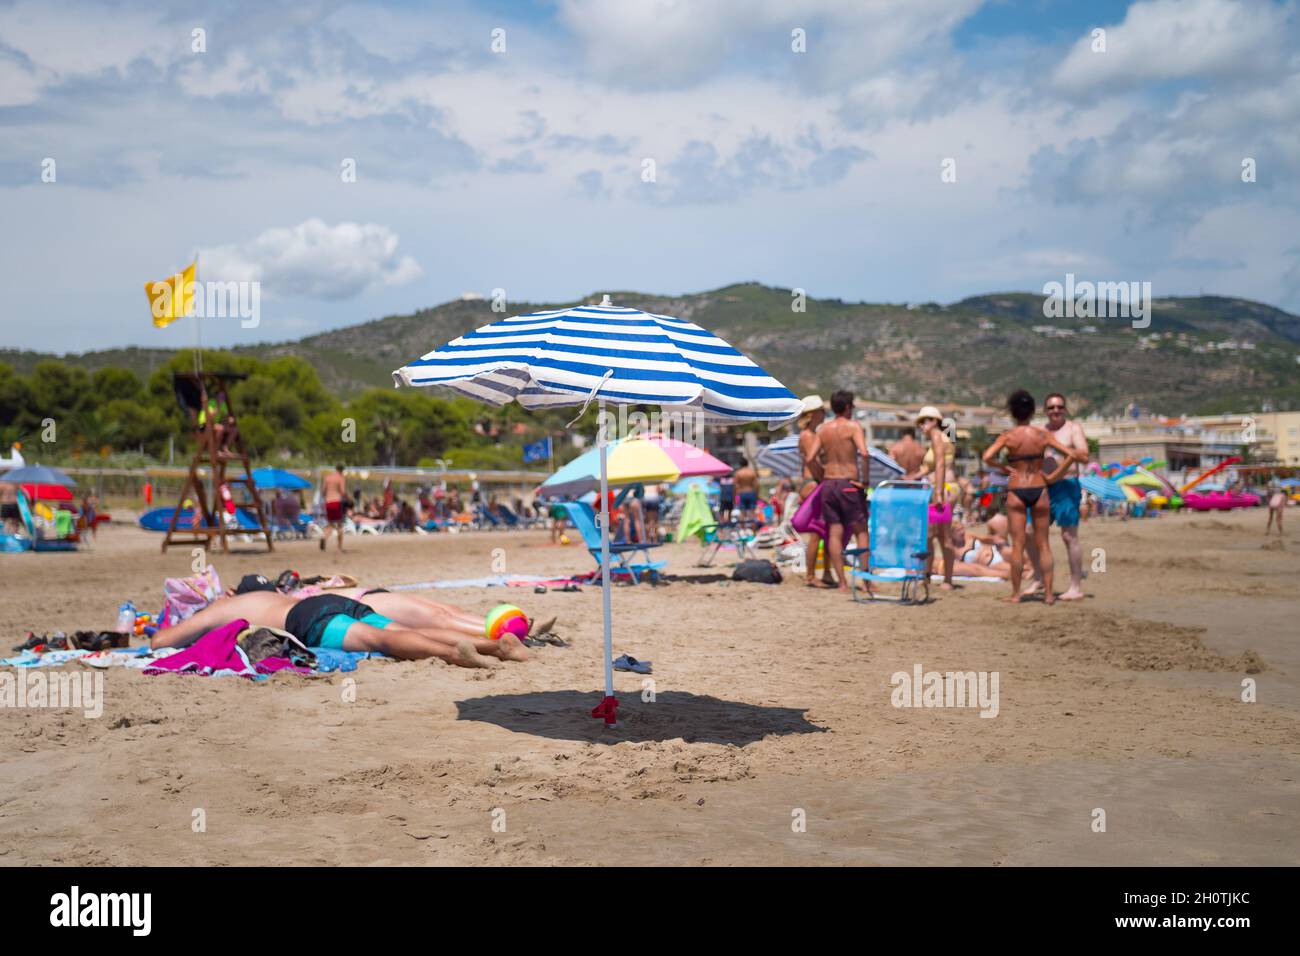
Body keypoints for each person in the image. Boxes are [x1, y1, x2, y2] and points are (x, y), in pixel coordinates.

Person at [151, 590, 528, 666]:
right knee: (393, 627)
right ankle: (493, 644)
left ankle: (451, 654)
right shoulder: (270, 593)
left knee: (384, 641)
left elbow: (161, 640)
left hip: (306, 621)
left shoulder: (224, 607)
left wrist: (196, 625)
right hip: (330, 601)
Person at [982, 390, 1088, 605]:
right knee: (1044, 544)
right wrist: (1052, 476)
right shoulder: (1041, 434)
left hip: (1017, 487)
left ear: (1012, 412)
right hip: (1040, 487)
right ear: (1033, 411)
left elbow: (986, 457)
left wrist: (1005, 469)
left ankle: (1015, 594)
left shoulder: (1008, 435)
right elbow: (1071, 455)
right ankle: (1049, 594)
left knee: (1019, 544)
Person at [804, 390, 869, 591]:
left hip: (829, 484)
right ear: (848, 407)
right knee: (861, 532)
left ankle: (841, 582)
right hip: (849, 483)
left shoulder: (823, 430)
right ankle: (867, 582)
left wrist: (824, 475)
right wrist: (865, 481)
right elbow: (865, 454)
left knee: (834, 532)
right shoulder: (853, 427)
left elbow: (810, 458)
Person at [1041, 393, 1090, 600]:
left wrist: (1055, 445)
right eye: (1051, 407)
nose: (1055, 410)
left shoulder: (1073, 428)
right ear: (1045, 410)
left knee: (1069, 536)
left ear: (1065, 409)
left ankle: (1075, 586)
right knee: (1033, 533)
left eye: (1059, 407)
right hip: (1044, 486)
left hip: (1067, 485)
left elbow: (1084, 456)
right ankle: (1038, 578)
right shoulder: (1040, 431)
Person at [912, 405, 958, 589]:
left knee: (941, 535)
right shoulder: (938, 439)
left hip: (944, 490)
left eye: (924, 421)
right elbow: (929, 467)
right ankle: (928, 575)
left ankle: (945, 579)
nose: (921, 426)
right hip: (941, 489)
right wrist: (911, 476)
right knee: (931, 535)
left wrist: (938, 492)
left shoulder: (938, 436)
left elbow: (940, 465)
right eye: (920, 423)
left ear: (934, 422)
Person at [795, 394, 836, 588]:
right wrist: (826, 479)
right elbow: (813, 461)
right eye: (821, 411)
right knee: (817, 533)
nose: (824, 414)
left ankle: (826, 572)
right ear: (812, 414)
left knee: (825, 531)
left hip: (811, 482)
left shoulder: (810, 435)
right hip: (813, 482)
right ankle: (811, 575)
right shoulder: (808, 435)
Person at [320, 465, 347, 552]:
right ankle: (339, 547)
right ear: (342, 470)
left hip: (328, 502)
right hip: (336, 501)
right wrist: (347, 497)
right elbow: (342, 491)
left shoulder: (327, 477)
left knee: (331, 524)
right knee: (339, 525)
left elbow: (323, 491)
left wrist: (327, 496)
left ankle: (324, 537)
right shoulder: (340, 478)